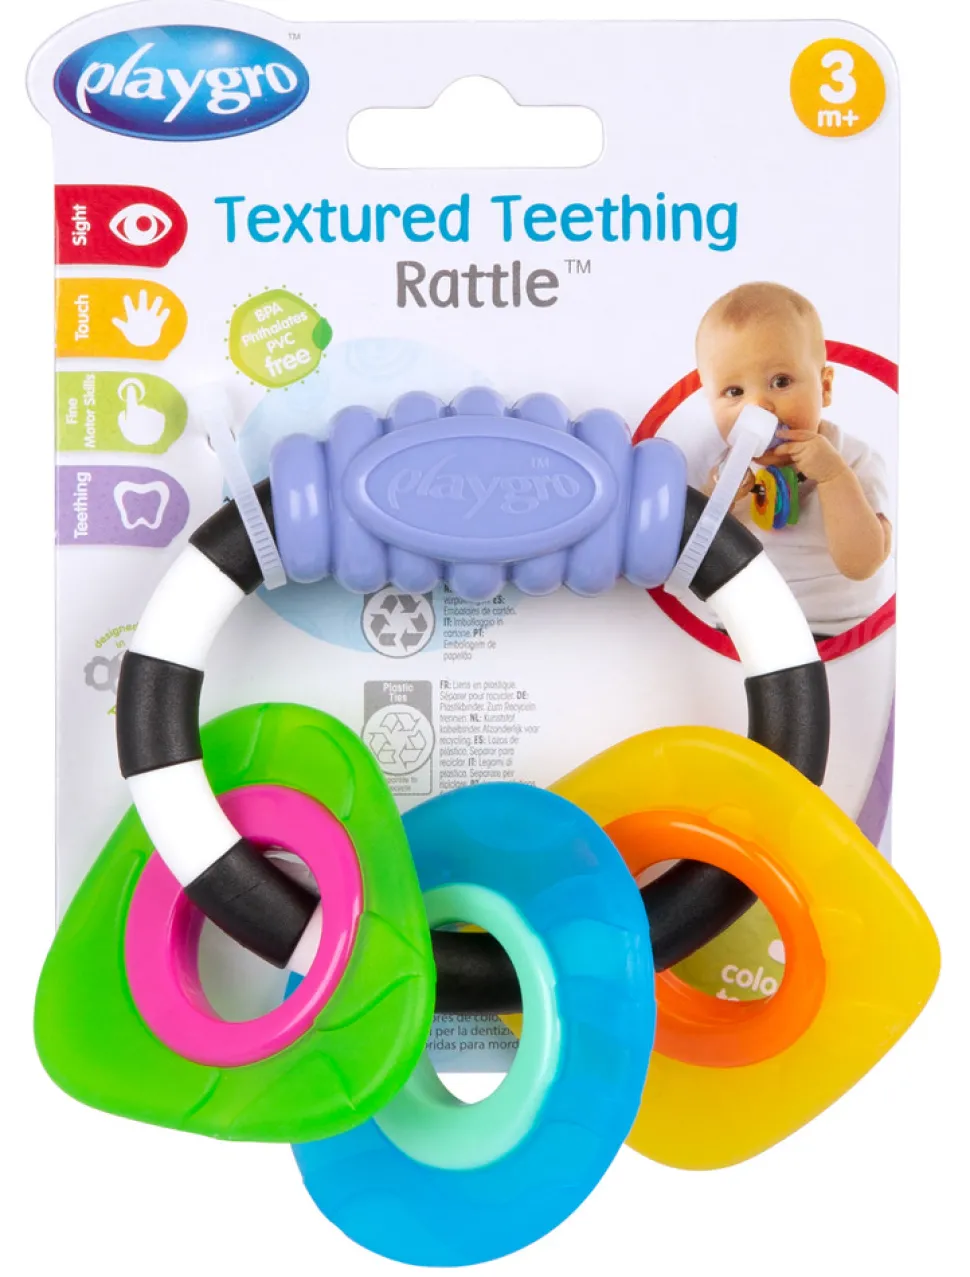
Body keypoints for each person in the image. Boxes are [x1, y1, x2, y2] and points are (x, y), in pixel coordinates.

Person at [695, 281, 891, 635]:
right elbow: (694, 557)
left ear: (824, 387)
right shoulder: (721, 466)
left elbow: (862, 564)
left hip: (835, 634)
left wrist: (833, 477)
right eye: (734, 391)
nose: (758, 406)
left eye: (781, 382)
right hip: (739, 634)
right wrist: (719, 499)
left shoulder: (854, 460)